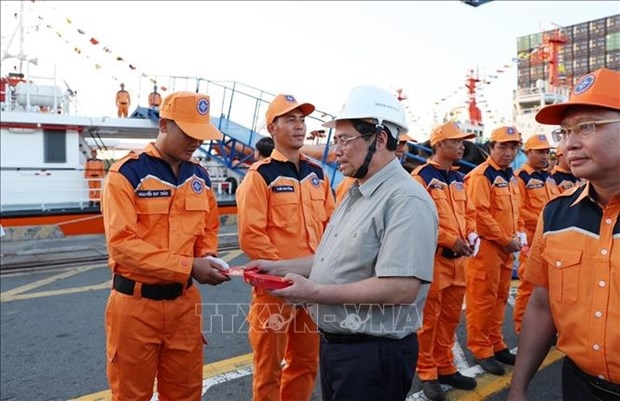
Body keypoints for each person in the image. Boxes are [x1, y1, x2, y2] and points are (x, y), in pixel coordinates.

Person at [246, 85, 438, 401]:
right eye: (336, 140)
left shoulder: (406, 199)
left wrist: (314, 293)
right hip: (341, 349)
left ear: (379, 139)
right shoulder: (355, 193)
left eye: (345, 140)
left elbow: (402, 288)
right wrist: (278, 266)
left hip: (373, 355)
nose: (336, 150)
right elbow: (329, 258)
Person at [101, 91, 231, 400]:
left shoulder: (199, 176)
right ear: (163, 125)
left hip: (184, 306)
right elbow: (123, 245)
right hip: (135, 307)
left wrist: (208, 256)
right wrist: (190, 266)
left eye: (201, 135)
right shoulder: (127, 175)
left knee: (186, 393)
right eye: (188, 133)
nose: (196, 142)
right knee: (132, 395)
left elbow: (207, 228)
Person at [508, 68, 620, 401]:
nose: (569, 143)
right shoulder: (556, 214)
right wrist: (518, 388)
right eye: (565, 131)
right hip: (579, 387)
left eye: (587, 126)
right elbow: (542, 306)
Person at [236, 94, 336, 401]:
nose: (299, 126)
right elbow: (252, 236)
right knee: (268, 369)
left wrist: (313, 274)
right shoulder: (259, 176)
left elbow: (332, 227)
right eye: (290, 119)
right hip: (276, 291)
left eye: (302, 119)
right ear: (272, 128)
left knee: (305, 363)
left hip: (312, 286)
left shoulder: (317, 174)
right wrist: (286, 276)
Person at [411, 122, 479, 401]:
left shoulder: (460, 178)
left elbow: (469, 212)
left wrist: (472, 232)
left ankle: (446, 365)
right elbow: (418, 220)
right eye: (456, 141)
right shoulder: (420, 178)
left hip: (459, 261)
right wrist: (451, 240)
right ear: (439, 145)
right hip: (435, 260)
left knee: (451, 318)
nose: (462, 146)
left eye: (463, 141)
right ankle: (427, 372)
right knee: (429, 320)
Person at [464, 125, 526, 376]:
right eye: (503, 146)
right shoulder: (481, 176)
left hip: (506, 248)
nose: (509, 152)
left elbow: (516, 209)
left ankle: (496, 342)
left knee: (500, 297)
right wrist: (504, 239)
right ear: (491, 147)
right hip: (488, 249)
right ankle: (481, 349)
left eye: (513, 147)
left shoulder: (511, 176)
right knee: (482, 300)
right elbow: (479, 214)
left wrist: (519, 232)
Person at [512, 134, 559, 335]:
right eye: (539, 151)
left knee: (551, 287)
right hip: (531, 241)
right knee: (528, 287)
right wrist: (546, 221)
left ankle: (546, 328)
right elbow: (518, 210)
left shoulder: (548, 177)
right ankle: (524, 330)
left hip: (552, 240)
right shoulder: (520, 177)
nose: (544, 156)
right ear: (527, 153)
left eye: (547, 152)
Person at [334, 131, 413, 204]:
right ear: (381, 141)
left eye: (404, 143)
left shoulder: (401, 186)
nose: (403, 148)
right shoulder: (353, 181)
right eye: (399, 143)